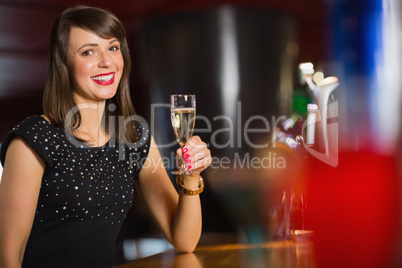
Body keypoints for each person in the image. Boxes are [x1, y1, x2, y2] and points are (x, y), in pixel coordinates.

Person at [0, 5, 211, 268]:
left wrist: (190, 177)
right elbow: (8, 257)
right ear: (64, 64)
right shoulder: (34, 139)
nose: (107, 61)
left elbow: (185, 240)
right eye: (88, 51)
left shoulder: (134, 136)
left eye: (113, 47)